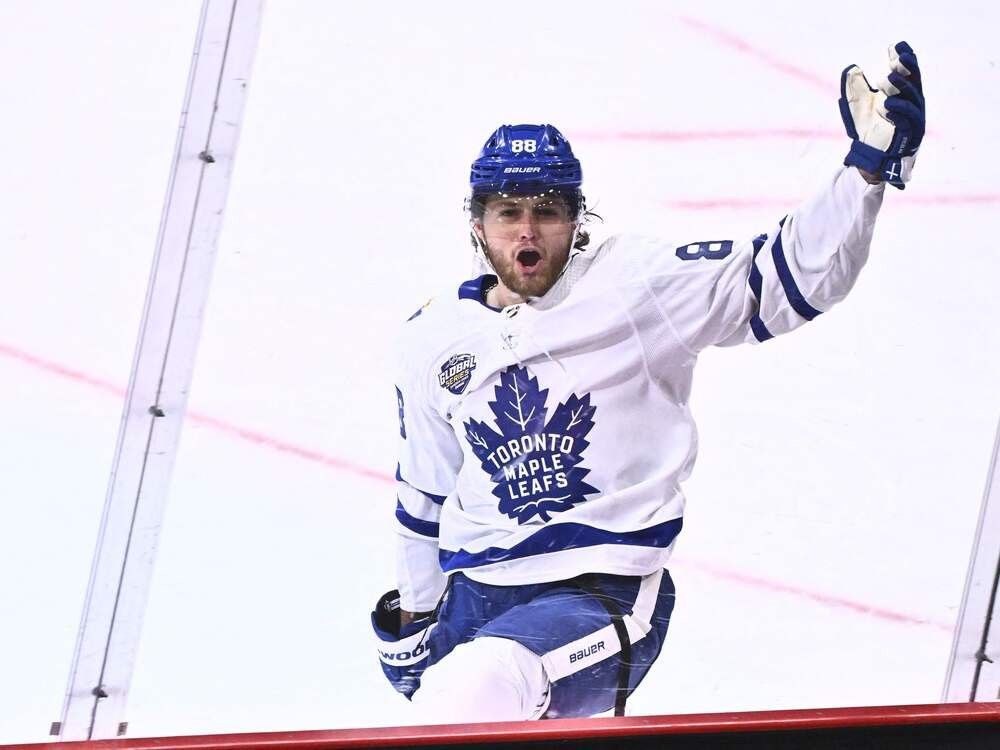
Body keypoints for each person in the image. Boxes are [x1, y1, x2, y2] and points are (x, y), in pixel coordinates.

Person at [372, 42, 925, 722]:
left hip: (597, 595)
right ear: (477, 225)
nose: (527, 231)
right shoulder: (432, 337)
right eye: (507, 213)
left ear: (576, 220)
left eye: (546, 211)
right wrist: (416, 613)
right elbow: (424, 491)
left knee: (478, 690)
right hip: (474, 594)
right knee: (450, 704)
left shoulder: (638, 284)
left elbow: (790, 277)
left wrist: (864, 173)